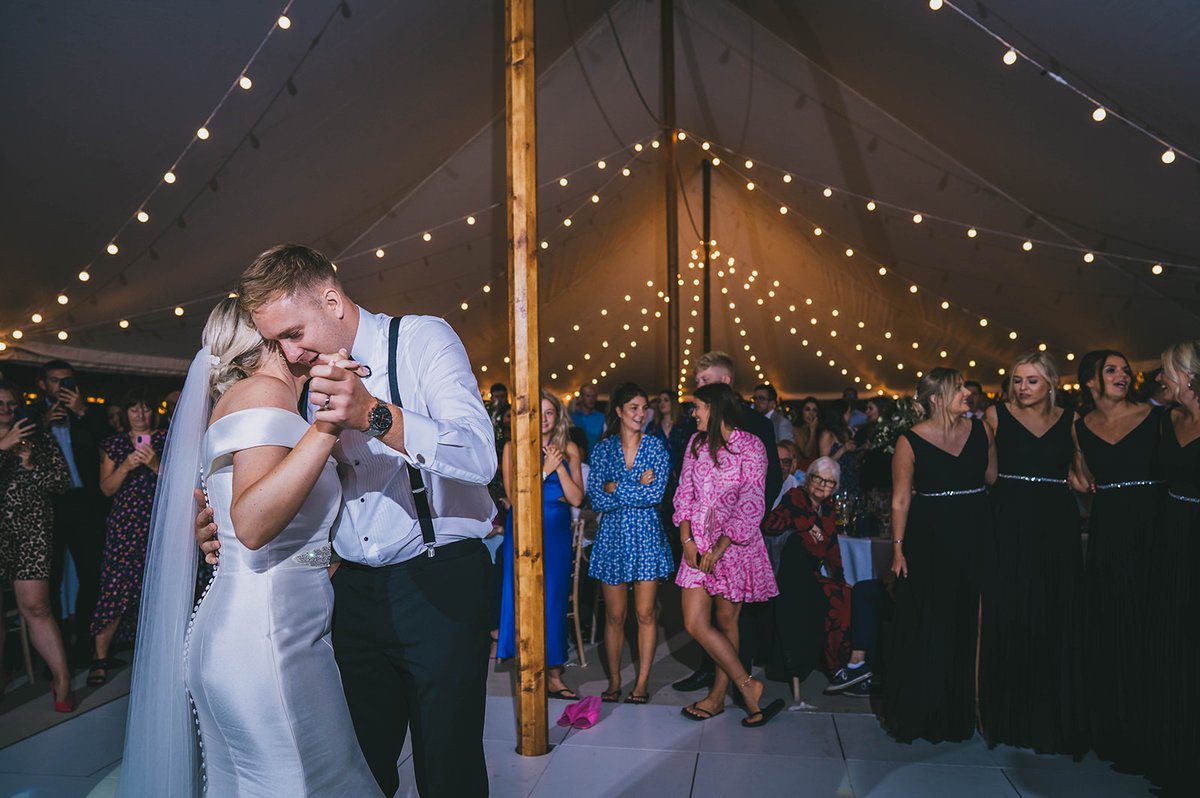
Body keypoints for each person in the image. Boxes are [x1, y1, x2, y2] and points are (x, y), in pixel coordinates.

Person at [180, 245, 496, 797]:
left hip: (437, 581)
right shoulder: (294, 385)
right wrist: (218, 526)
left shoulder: (422, 340)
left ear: (331, 299)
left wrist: (373, 414)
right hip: (346, 593)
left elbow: (478, 456)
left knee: (448, 769)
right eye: (276, 340)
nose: (290, 353)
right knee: (355, 766)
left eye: (296, 333)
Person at [119, 297, 383, 796]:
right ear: (271, 340)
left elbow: (273, 525)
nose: (308, 340)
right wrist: (329, 422)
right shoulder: (264, 392)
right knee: (314, 783)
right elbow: (254, 523)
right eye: (292, 331)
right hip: (268, 639)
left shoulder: (262, 398)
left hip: (261, 629)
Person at [978, 352, 1086, 755]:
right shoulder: (995, 415)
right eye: (1017, 380)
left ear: (1050, 384)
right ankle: (1008, 715)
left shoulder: (1071, 420)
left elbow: (1080, 473)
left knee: (1053, 611)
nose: (1022, 388)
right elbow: (987, 473)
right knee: (1011, 609)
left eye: (1032, 381)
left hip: (1055, 523)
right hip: (1009, 518)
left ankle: (1051, 713)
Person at [883, 368, 996, 744]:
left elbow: (993, 477)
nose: (967, 392)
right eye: (959, 387)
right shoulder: (909, 441)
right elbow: (900, 499)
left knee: (969, 620)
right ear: (935, 397)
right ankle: (924, 708)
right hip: (929, 537)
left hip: (976, 533)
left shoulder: (982, 431)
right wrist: (898, 549)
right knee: (930, 620)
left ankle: (962, 708)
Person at [1070, 350, 1161, 772]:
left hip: (1152, 526)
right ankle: (1111, 726)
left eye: (1126, 370)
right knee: (1111, 623)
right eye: (1112, 370)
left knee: (1147, 622)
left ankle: (1152, 730)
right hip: (1107, 531)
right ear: (1091, 381)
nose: (1123, 375)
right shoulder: (1080, 428)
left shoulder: (1154, 416)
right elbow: (1083, 479)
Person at [673, 382, 783, 726]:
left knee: (726, 620)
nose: (693, 414)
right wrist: (688, 541)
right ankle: (748, 686)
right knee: (693, 622)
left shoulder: (751, 447)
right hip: (697, 542)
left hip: (734, 545)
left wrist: (719, 549)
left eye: (698, 408)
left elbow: (752, 503)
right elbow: (684, 494)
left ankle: (719, 697)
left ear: (715, 408)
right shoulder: (695, 444)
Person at [586, 382, 673, 704]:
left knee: (646, 614)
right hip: (612, 539)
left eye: (643, 407)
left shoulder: (655, 448)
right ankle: (614, 681)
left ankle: (642, 684)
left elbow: (656, 496)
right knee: (614, 616)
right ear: (620, 411)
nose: (640, 413)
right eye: (633, 408)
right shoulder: (603, 449)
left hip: (647, 537)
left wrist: (616, 487)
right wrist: (635, 483)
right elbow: (596, 497)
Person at [496, 390, 584, 699]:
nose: (545, 419)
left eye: (550, 413)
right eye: (540, 412)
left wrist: (558, 465)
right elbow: (516, 499)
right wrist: (545, 471)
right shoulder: (512, 448)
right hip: (521, 529)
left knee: (554, 599)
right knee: (523, 598)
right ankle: (528, 668)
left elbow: (576, 497)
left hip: (556, 531)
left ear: (557, 416)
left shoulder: (570, 448)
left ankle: (556, 675)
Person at [763, 457, 871, 697]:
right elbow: (770, 526)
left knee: (847, 594)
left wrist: (840, 577)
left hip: (812, 575)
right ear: (809, 477)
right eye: (819, 479)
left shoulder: (829, 507)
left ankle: (846, 666)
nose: (823, 486)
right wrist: (804, 524)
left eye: (830, 482)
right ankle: (836, 669)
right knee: (832, 600)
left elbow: (831, 547)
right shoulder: (794, 497)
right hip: (791, 578)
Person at [0, 380, 75, 711]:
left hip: (32, 533)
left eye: (10, 404)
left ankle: (62, 681)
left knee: (37, 608)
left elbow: (62, 482)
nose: (6, 409)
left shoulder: (40, 438)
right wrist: (4, 447)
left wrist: (31, 465)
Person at [30, 360, 110, 662]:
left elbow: (107, 443)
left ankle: (84, 646)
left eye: (67, 381)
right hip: (47, 506)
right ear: (42, 384)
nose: (61, 387)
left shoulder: (90, 412)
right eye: (54, 381)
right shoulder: (31, 416)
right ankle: (55, 650)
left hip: (85, 504)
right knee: (50, 579)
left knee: (91, 574)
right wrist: (43, 426)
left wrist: (81, 412)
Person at [88, 388, 167, 686]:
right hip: (124, 525)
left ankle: (159, 654)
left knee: (160, 587)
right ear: (125, 414)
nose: (140, 414)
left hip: (160, 522)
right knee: (115, 586)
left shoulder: (167, 438)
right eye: (134, 409)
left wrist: (154, 464)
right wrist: (126, 465)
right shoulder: (113, 444)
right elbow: (106, 489)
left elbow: (181, 480)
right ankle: (100, 658)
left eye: (146, 408)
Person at [1148, 342, 1200, 794]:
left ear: (1187, 374)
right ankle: (1173, 753)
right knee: (1172, 643)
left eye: (1165, 373)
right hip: (1170, 534)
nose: (1160, 380)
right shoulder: (1168, 420)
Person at [571, 383, 606, 456]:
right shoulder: (572, 417)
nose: (592, 399)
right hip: (577, 461)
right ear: (581, 397)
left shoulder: (602, 418)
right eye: (588, 396)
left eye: (594, 396)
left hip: (596, 460)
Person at [793, 396, 823, 473]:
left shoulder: (820, 431)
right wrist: (812, 431)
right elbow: (807, 453)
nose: (811, 414)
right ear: (802, 412)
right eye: (807, 409)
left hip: (815, 472)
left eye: (814, 410)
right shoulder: (796, 430)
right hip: (801, 473)